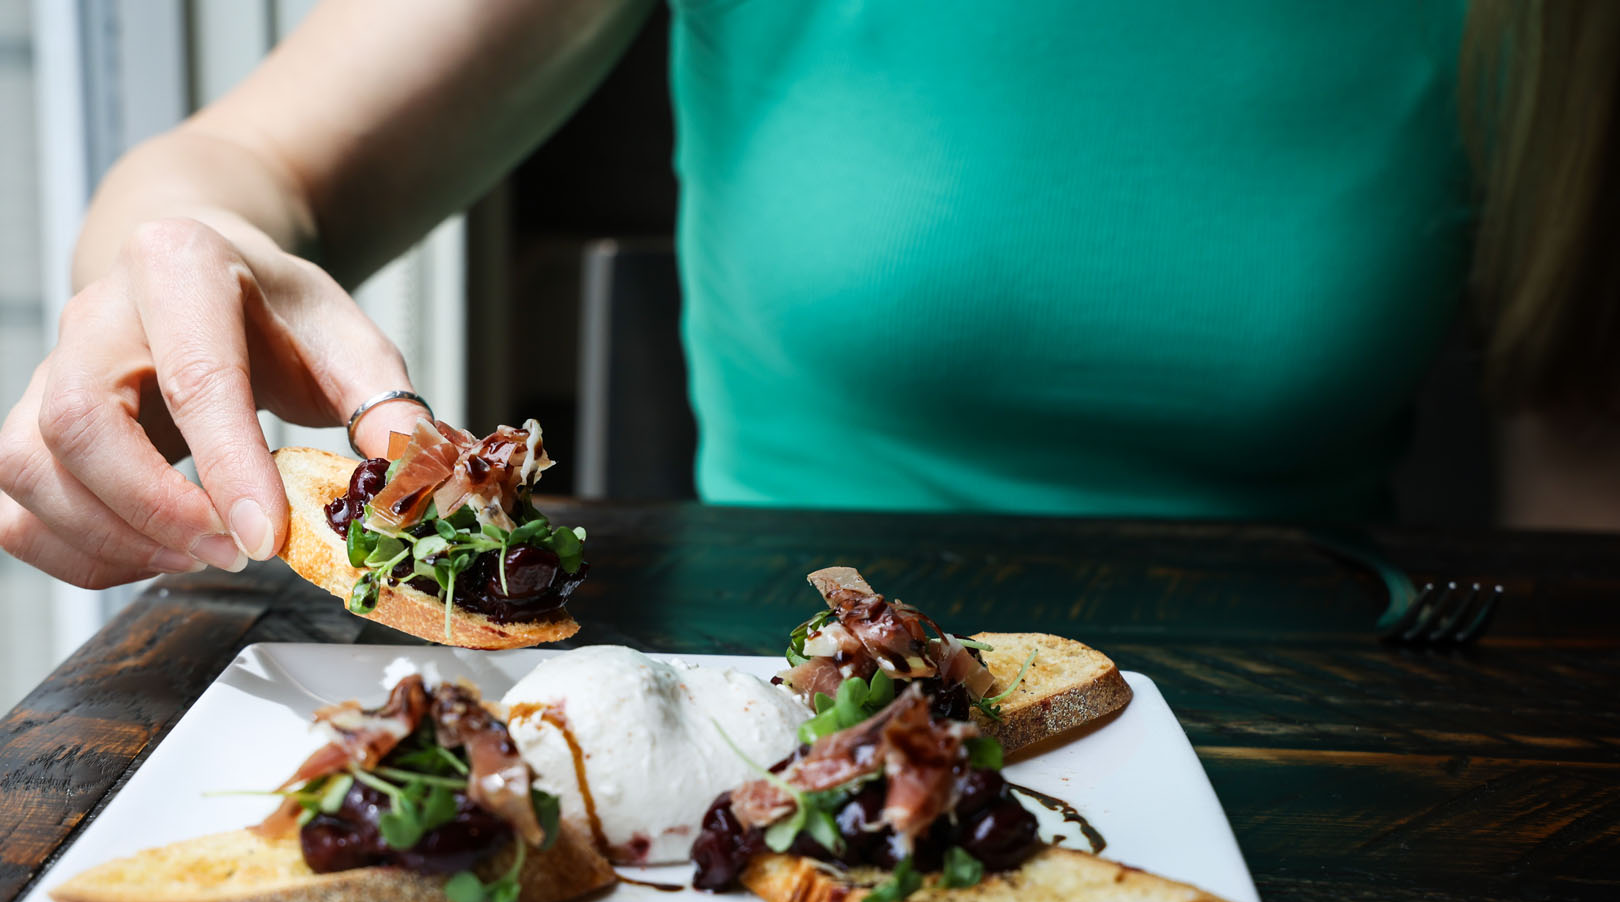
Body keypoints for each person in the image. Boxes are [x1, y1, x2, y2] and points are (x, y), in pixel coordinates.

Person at [1, 0, 1615, 591]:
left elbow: (1576, 548)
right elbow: (237, 167)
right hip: (766, 746)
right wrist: (157, 278)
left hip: (1338, 786)